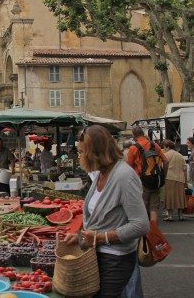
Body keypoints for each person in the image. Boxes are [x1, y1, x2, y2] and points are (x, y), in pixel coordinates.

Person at [64, 125, 149, 297]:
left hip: (116, 259)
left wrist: (100, 238)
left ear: (94, 152)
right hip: (97, 255)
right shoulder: (101, 174)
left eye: (81, 152)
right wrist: (81, 236)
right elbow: (102, 218)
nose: (79, 156)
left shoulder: (124, 176)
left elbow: (141, 225)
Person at [126, 126, 167, 223]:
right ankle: (154, 232)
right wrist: (163, 175)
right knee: (153, 208)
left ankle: (143, 233)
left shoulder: (133, 148)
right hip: (155, 179)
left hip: (140, 181)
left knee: (142, 207)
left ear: (134, 136)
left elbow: (129, 168)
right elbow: (166, 161)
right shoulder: (154, 145)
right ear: (143, 133)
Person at [162, 139, 187, 221]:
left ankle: (170, 216)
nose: (163, 149)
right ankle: (181, 215)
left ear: (167, 147)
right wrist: (185, 180)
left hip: (170, 177)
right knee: (180, 197)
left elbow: (163, 166)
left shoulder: (166, 154)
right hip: (180, 178)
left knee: (170, 197)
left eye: (164, 147)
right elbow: (184, 169)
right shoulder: (180, 155)